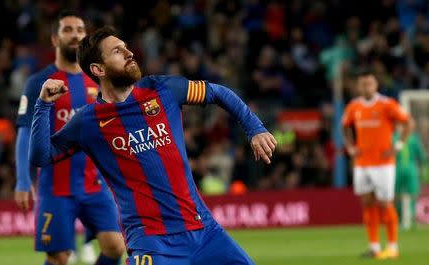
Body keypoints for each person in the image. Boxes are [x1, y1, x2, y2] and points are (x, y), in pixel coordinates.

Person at [29, 26, 276, 265]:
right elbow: (42, 156)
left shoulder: (162, 89)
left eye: (126, 47)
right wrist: (43, 106)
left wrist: (254, 128)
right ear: (98, 69)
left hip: (204, 231)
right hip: (152, 242)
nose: (129, 53)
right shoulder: (88, 121)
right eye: (117, 51)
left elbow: (219, 92)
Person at [14, 12, 124, 265]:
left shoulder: (98, 80)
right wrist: (22, 179)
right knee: (59, 257)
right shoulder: (37, 83)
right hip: (55, 187)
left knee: (115, 246)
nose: (75, 34)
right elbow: (24, 133)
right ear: (55, 39)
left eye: (80, 29)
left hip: (95, 184)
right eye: (68, 29)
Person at [342, 68, 412, 259]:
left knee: (384, 202)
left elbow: (408, 122)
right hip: (362, 162)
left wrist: (398, 145)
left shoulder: (387, 104)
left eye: (370, 83)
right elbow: (345, 126)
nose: (366, 86)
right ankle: (374, 247)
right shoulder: (353, 107)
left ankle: (392, 247)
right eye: (363, 83)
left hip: (383, 162)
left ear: (376, 84)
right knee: (367, 202)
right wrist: (351, 147)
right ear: (358, 85)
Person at [394, 129, 427, 230]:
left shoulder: (413, 138)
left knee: (411, 194)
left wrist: (424, 167)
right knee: (397, 195)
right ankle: (400, 219)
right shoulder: (393, 137)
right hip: (397, 168)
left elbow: (421, 155)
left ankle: (409, 218)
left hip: (410, 168)